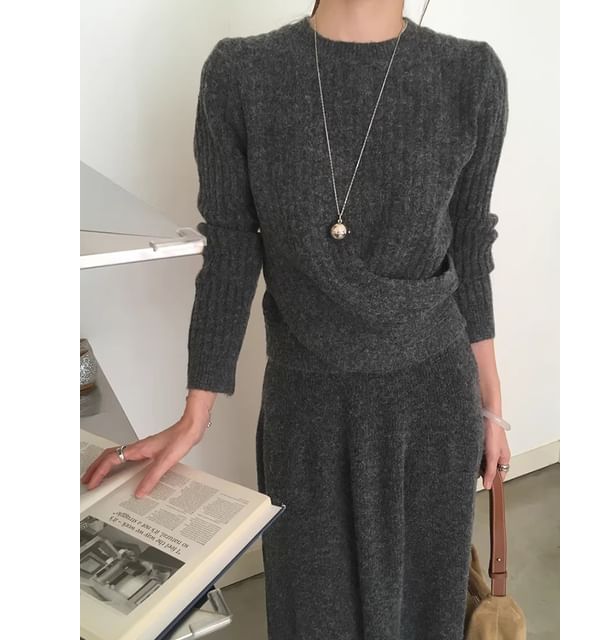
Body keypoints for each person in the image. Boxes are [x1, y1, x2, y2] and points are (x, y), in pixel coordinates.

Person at [82, 0, 512, 637]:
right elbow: (231, 246)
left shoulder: (470, 74)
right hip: (307, 405)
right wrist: (196, 412)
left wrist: (492, 406)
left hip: (432, 401)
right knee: (313, 615)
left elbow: (470, 242)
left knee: (424, 615)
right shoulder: (242, 73)